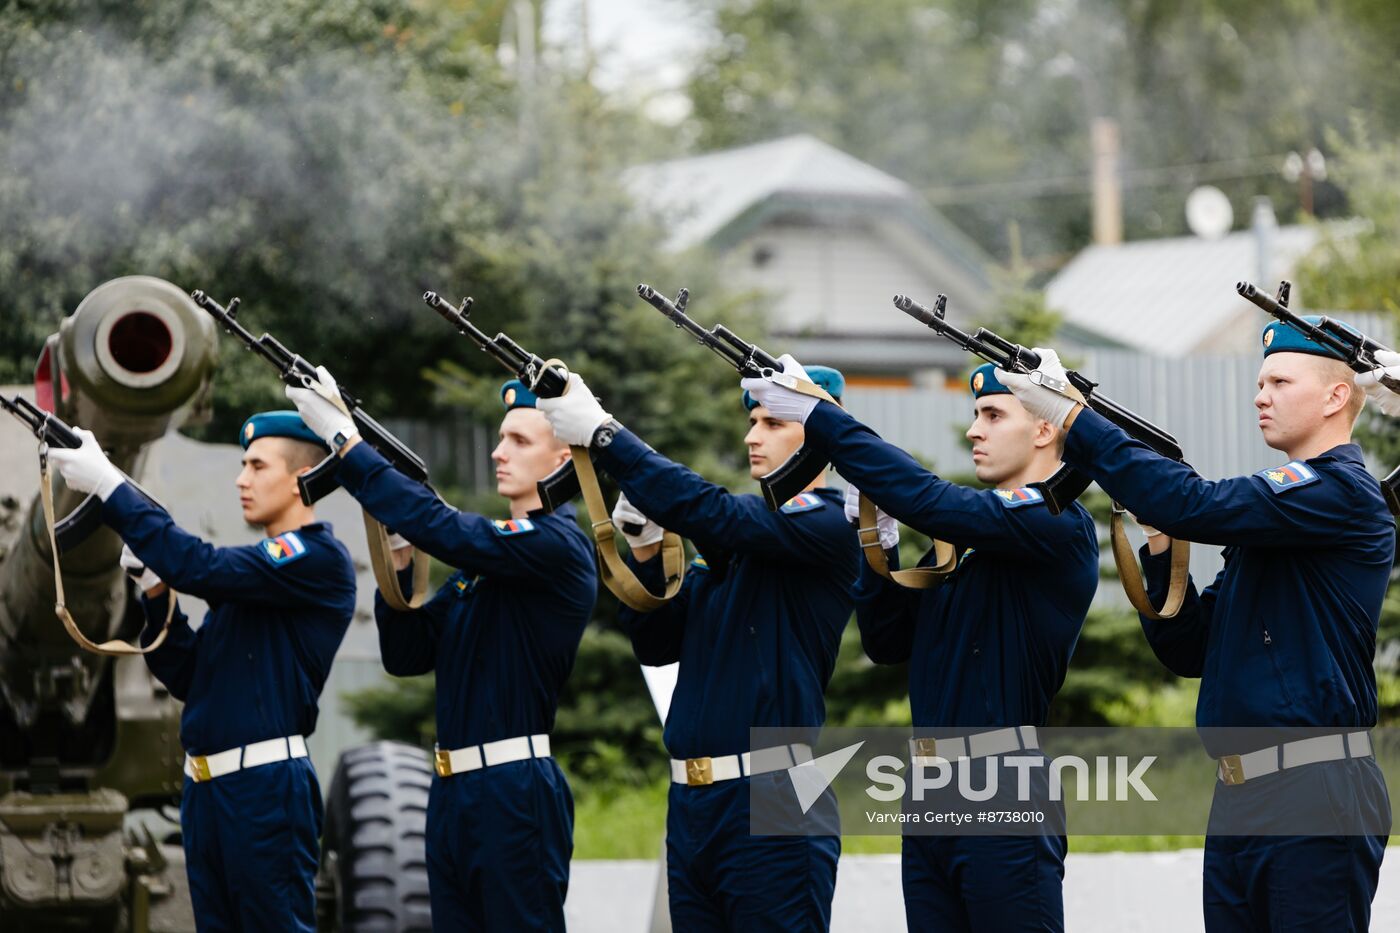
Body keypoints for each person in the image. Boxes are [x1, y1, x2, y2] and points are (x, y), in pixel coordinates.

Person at [995, 319, 1393, 931]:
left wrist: (1072, 417)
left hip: (1313, 788)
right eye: (1259, 383)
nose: (1260, 396)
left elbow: (1196, 503)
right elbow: (1190, 648)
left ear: (1336, 397)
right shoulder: (1281, 513)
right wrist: (1160, 543)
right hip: (1241, 792)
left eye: (1280, 382)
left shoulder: (1340, 490)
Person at [744, 358, 1099, 933]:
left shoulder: (1055, 523)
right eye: (976, 415)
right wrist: (878, 543)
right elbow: (887, 641)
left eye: (993, 415)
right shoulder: (970, 542)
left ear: (1043, 428)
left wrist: (822, 418)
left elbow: (932, 501)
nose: (974, 430)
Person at [536, 366, 859, 931]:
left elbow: (714, 512)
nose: (752, 436)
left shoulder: (826, 523)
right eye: (752, 421)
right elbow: (657, 645)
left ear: (818, 435)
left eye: (773, 423)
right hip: (693, 804)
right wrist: (645, 551)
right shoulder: (739, 542)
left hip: (774, 796)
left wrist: (604, 435)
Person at [288, 373, 595, 931]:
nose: (499, 452)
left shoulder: (557, 545)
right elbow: (407, 653)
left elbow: (447, 528)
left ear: (561, 461)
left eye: (519, 441)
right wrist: (401, 558)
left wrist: (345, 441)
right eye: (500, 438)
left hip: (512, 791)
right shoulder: (488, 567)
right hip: (454, 792)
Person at [49, 411, 356, 931]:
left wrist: (108, 484)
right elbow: (188, 675)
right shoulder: (261, 574)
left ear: (301, 479)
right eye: (243, 465)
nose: (241, 479)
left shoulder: (314, 558)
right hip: (208, 790)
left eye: (258, 466)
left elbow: (200, 566)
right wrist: (155, 591)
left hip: (262, 788)